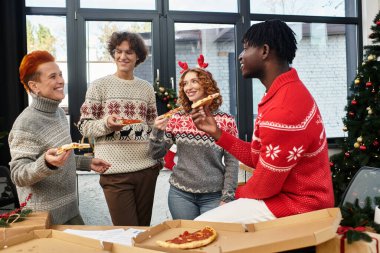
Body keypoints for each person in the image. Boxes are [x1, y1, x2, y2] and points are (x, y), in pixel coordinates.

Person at [191, 20, 335, 224]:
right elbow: (257, 157)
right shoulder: (283, 93)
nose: (240, 56)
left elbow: (263, 188)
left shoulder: (284, 108)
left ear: (265, 51)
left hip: (301, 206)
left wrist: (229, 195)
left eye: (246, 48)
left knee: (203, 226)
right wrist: (217, 133)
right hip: (289, 199)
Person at [9, 50, 111, 225]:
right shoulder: (26, 123)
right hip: (45, 219)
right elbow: (18, 175)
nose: (61, 81)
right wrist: (46, 163)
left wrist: (86, 163)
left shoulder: (59, 113)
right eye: (53, 76)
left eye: (61, 75)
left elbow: (60, 156)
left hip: (70, 211)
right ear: (34, 86)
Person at [77, 31, 161, 226]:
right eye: (119, 51)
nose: (123, 57)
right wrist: (107, 124)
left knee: (142, 231)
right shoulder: (99, 86)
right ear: (113, 53)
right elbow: (84, 126)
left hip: (146, 169)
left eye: (129, 52)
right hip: (114, 172)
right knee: (126, 232)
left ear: (138, 56)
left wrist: (159, 157)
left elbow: (151, 127)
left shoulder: (146, 88)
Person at [149, 60, 239, 220]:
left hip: (214, 196)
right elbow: (156, 153)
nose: (188, 87)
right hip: (180, 195)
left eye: (194, 81)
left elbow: (232, 162)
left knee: (212, 239)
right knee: (186, 238)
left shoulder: (226, 120)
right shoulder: (178, 117)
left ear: (206, 85)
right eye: (185, 84)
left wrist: (227, 197)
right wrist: (157, 131)